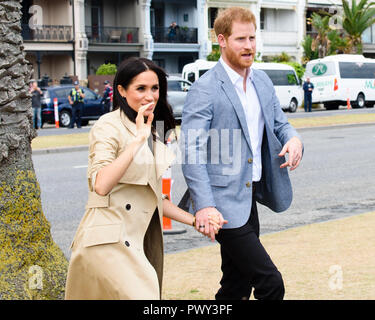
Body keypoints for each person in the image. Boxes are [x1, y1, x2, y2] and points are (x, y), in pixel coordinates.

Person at [65, 57, 226, 300]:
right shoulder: (108, 126)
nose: (150, 96)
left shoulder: (154, 129)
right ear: (121, 90)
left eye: (155, 88)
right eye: (140, 89)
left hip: (136, 242)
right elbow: (100, 184)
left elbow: (154, 199)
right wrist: (137, 140)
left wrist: (195, 221)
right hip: (106, 245)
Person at [181, 7, 303, 300]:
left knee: (236, 286)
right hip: (221, 207)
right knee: (270, 283)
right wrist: (205, 205)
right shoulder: (205, 89)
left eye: (252, 38)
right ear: (221, 40)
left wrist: (294, 139)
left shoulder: (261, 80)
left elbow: (280, 124)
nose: (249, 46)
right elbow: (191, 151)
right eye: (240, 39)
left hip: (248, 199)